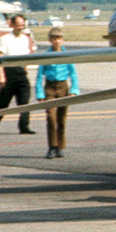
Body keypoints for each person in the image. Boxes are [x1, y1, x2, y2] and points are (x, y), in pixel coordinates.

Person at [0, 13, 36, 135]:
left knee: (24, 101)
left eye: (22, 25)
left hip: (20, 72)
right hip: (9, 72)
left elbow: (26, 56)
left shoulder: (25, 38)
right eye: (18, 25)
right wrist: (1, 75)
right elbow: (0, 57)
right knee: (3, 103)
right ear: (12, 24)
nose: (21, 27)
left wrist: (25, 69)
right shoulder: (5, 39)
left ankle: (24, 126)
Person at [37, 28, 78, 159]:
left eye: (59, 38)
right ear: (50, 40)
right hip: (50, 88)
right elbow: (39, 76)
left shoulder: (66, 55)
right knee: (51, 118)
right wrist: (40, 94)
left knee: (61, 119)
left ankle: (60, 147)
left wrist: (74, 90)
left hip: (63, 87)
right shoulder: (45, 55)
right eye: (54, 38)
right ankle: (51, 147)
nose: (56, 41)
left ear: (62, 40)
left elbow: (73, 74)